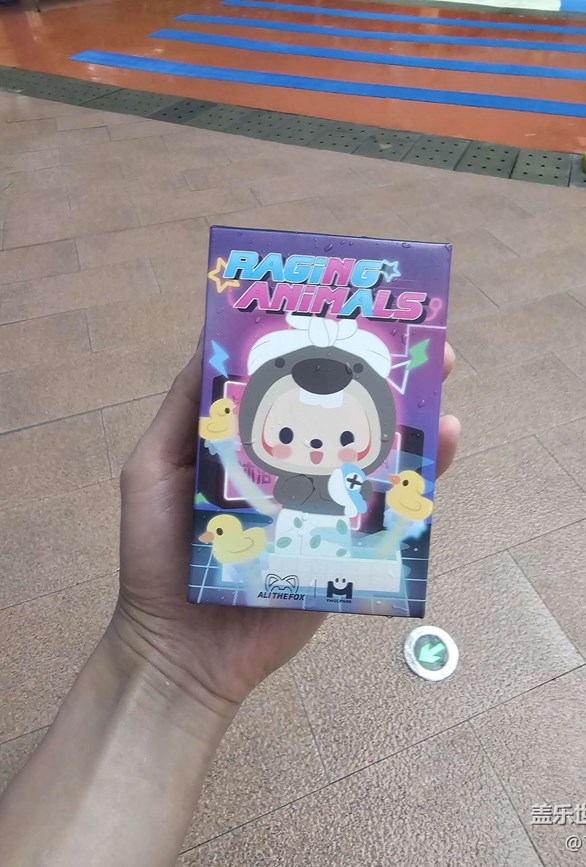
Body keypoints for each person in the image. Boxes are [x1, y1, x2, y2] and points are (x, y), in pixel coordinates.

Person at [0, 338, 460, 867]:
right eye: (286, 435)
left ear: (378, 440)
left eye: (344, 439)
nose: (315, 450)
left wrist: (401, 519)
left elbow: (370, 536)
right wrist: (219, 447)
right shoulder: (281, 497)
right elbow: (250, 489)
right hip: (266, 566)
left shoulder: (351, 493)